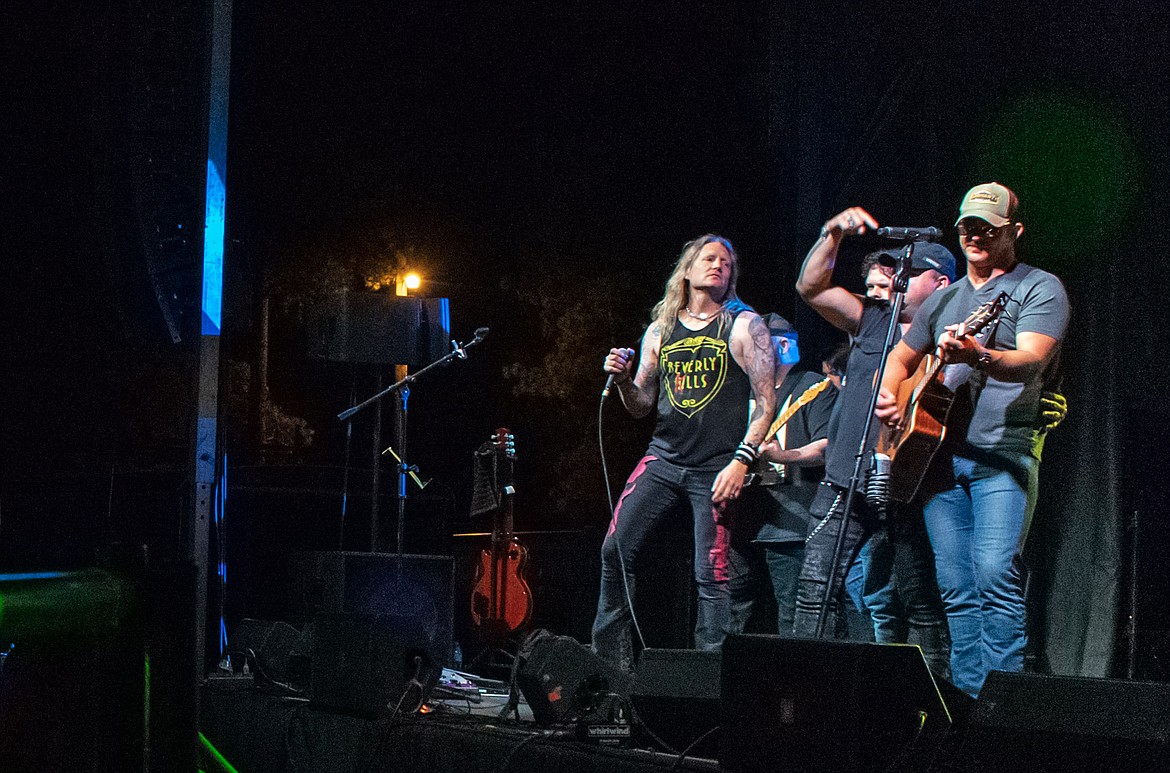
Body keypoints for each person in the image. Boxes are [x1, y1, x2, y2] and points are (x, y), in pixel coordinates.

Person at [876, 182, 1070, 697]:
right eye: (967, 226)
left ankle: (1002, 706)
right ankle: (966, 701)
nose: (975, 236)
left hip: (1001, 456)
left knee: (993, 576)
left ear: (1014, 231)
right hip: (937, 460)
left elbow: (1030, 358)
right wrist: (892, 396)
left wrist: (977, 355)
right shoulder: (944, 299)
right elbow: (900, 359)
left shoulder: (1038, 288)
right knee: (956, 588)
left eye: (987, 227)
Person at [592, 235, 777, 671]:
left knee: (711, 574)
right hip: (664, 457)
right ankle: (611, 672)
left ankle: (708, 682)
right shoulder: (661, 329)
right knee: (614, 549)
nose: (718, 266)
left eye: (726, 263)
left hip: (716, 467)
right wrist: (621, 381)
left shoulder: (744, 326)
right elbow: (641, 405)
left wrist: (741, 460)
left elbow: (767, 404)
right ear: (688, 270)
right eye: (709, 259)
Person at [792, 206, 955, 675]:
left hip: (913, 484)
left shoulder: (951, 330)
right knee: (815, 590)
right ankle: (810, 688)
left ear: (940, 282)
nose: (894, 276)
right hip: (846, 476)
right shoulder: (873, 319)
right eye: (891, 268)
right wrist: (832, 234)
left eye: (908, 270)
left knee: (920, 599)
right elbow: (811, 288)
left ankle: (936, 699)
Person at [728, 314, 836, 637]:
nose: (752, 355)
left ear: (784, 345)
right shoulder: (745, 392)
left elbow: (827, 447)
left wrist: (782, 456)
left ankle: (798, 685)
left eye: (761, 346)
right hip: (743, 521)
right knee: (734, 615)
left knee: (792, 614)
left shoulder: (813, 386)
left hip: (791, 523)